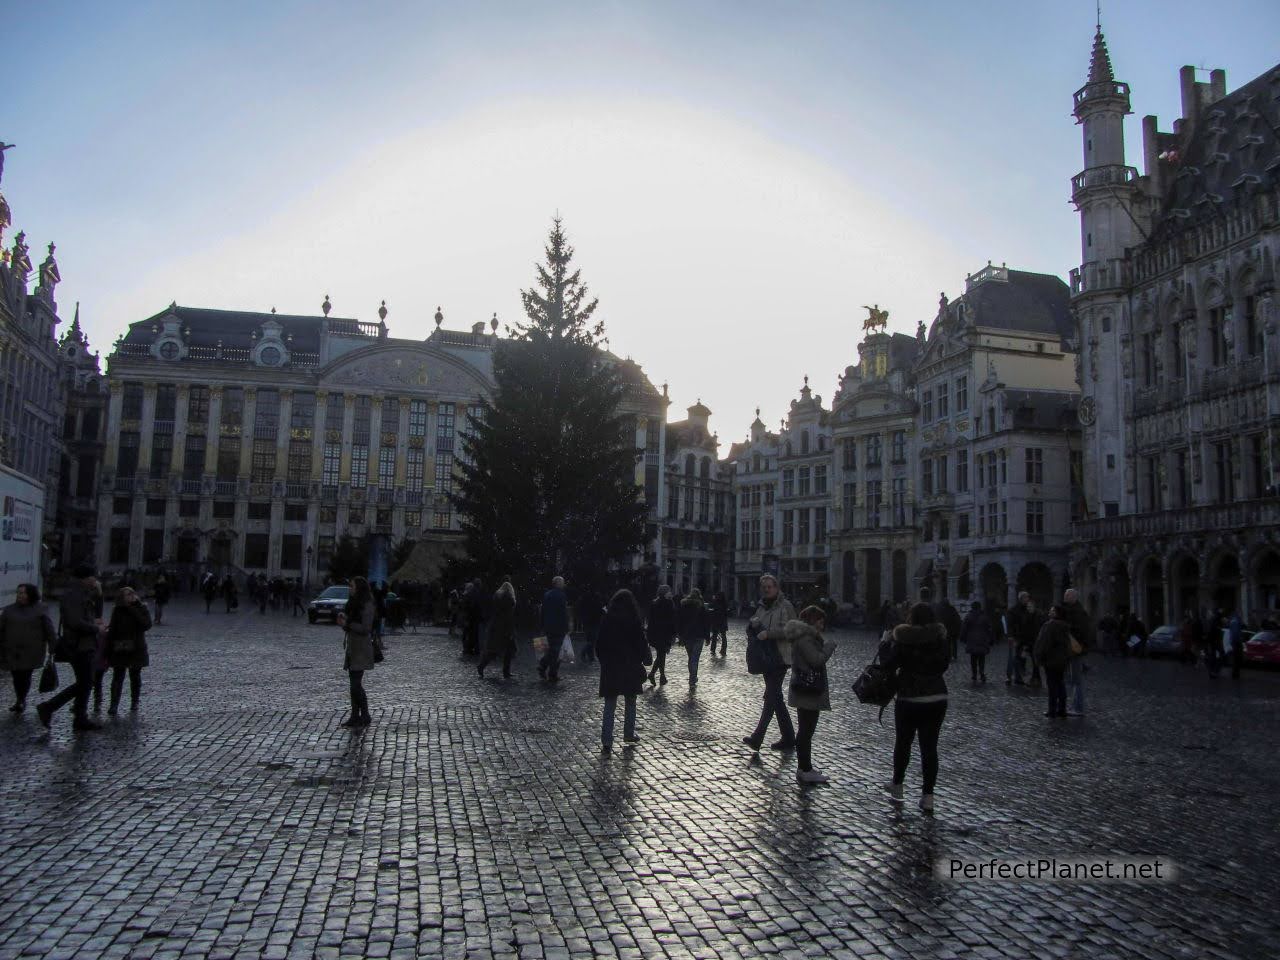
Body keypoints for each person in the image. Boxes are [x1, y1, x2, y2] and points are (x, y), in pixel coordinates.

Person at [880, 603, 949, 812]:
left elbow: (888, 665)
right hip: (937, 696)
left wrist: (884, 644)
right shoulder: (941, 639)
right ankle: (928, 795)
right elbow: (944, 664)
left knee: (903, 743)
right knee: (930, 747)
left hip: (909, 697)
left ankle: (898, 784)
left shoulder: (904, 639)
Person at [37, 565, 106, 732]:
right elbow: (75, 621)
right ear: (87, 578)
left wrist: (99, 597)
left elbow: (90, 614)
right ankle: (49, 707)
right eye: (94, 578)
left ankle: (79, 717)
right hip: (78, 645)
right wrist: (95, 628)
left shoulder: (82, 593)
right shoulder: (73, 595)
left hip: (84, 643)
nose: (96, 581)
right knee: (85, 682)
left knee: (86, 682)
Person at [742, 574, 798, 753]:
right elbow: (752, 627)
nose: (766, 589)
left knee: (771, 696)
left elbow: (792, 630)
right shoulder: (761, 607)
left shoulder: (785, 606)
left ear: (776, 588)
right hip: (765, 657)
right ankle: (789, 737)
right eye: (764, 587)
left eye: (769, 587)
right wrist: (751, 626)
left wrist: (769, 633)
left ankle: (758, 737)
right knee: (775, 698)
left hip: (780, 657)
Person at [786, 606, 838, 785]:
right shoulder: (805, 639)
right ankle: (805, 769)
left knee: (806, 730)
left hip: (805, 690)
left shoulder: (806, 637)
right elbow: (816, 660)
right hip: (808, 691)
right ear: (812, 621)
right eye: (820, 621)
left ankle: (805, 767)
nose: (822, 625)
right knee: (806, 731)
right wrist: (829, 647)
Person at [596, 588, 650, 752]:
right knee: (631, 701)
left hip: (611, 666)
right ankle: (628, 733)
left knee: (610, 704)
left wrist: (604, 661)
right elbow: (641, 643)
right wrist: (643, 658)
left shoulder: (607, 619)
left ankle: (607, 740)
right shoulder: (634, 619)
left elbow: (599, 644)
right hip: (630, 665)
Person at [0, 583, 55, 714]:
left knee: (25, 675)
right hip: (12, 650)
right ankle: (20, 698)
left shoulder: (40, 609)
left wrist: (53, 646)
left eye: (23, 593)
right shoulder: (9, 610)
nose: (20, 595)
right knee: (16, 675)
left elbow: (49, 629)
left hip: (32, 650)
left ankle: (21, 699)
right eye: (18, 593)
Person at [105, 586, 153, 715]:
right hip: (120, 646)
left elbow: (146, 624)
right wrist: (108, 648)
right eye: (127, 594)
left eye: (132, 594)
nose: (130, 596)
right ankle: (114, 704)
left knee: (135, 675)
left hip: (137, 647)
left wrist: (133, 608)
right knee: (118, 676)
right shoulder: (118, 610)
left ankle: (135, 701)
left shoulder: (141, 608)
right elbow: (113, 630)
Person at [336, 577, 376, 728]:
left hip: (361, 648)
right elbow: (350, 625)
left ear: (359, 588)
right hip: (352, 647)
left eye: (352, 586)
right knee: (353, 683)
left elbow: (366, 628)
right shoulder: (352, 603)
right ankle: (356, 715)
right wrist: (343, 622)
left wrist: (349, 624)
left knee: (355, 684)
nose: (350, 589)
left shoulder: (367, 604)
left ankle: (364, 714)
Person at [1034, 605, 1073, 719]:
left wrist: (1039, 657)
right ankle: (1062, 709)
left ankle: (1052, 710)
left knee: (1052, 686)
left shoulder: (1049, 626)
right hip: (1062, 660)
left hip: (1051, 659)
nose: (1049, 612)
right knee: (1060, 684)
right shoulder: (1065, 626)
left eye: (1052, 611)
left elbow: (1043, 643)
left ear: (1057, 613)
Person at [1061, 588, 1094, 716]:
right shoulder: (1071, 611)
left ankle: (1078, 708)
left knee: (1076, 679)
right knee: (1071, 679)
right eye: (1065, 594)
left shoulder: (1079, 613)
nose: (1065, 597)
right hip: (1070, 649)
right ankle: (1074, 705)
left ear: (1074, 597)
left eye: (1067, 595)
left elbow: (1082, 632)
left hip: (1075, 649)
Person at [479, 581, 517, 679]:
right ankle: (506, 672)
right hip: (505, 628)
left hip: (496, 627)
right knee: (508, 651)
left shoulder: (496, 597)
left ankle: (482, 666)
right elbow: (509, 617)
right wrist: (511, 630)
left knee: (494, 650)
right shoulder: (509, 599)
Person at [1006, 591, 1042, 686]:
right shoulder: (1014, 610)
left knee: (1033, 659)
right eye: (1026, 598)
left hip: (1030, 639)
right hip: (1019, 638)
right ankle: (1014, 677)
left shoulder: (1030, 610)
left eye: (1028, 598)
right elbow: (1010, 625)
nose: (1027, 600)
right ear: (1021, 599)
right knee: (1017, 658)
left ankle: (1034, 678)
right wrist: (1011, 636)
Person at [538, 576, 570, 683]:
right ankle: (550, 672)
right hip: (558, 627)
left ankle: (546, 668)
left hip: (548, 626)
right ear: (559, 584)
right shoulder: (561, 595)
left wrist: (542, 624)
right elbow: (563, 613)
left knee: (551, 649)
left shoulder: (547, 594)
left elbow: (543, 610)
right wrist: (567, 626)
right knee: (556, 650)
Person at [677, 588, 711, 686]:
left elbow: (679, 621)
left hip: (687, 635)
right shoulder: (701, 606)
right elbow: (706, 623)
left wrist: (680, 635)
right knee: (695, 658)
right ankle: (693, 677)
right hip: (699, 635)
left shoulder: (684, 606)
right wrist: (707, 637)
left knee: (691, 657)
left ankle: (692, 676)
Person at [646, 585, 676, 686]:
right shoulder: (669, 603)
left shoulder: (654, 603)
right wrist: (673, 634)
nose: (670, 593)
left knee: (661, 655)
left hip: (655, 633)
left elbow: (650, 620)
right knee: (661, 655)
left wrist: (649, 634)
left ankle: (661, 676)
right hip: (664, 633)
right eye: (669, 591)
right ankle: (654, 675)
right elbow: (672, 620)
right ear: (665, 592)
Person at [960, 600, 994, 683]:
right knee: (982, 658)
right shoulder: (985, 617)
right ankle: (982, 673)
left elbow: (964, 629)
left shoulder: (968, 616)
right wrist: (991, 639)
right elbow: (990, 629)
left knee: (973, 658)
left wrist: (963, 638)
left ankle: (974, 674)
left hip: (972, 640)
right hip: (983, 640)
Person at [577, 586, 604, 666]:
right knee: (593, 640)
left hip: (587, 621)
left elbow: (580, 607)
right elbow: (600, 608)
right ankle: (584, 653)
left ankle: (590, 656)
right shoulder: (597, 597)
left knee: (590, 638)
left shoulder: (584, 597)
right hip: (595, 621)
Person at [933, 596, 962, 662]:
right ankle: (954, 656)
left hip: (946, 630)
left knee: (947, 644)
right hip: (952, 630)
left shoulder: (940, 610)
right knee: (953, 644)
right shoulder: (952, 609)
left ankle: (949, 656)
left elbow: (938, 619)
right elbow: (957, 619)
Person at [709, 591, 729, 657]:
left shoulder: (715, 602)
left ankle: (713, 649)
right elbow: (727, 613)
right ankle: (723, 650)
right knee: (723, 636)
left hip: (716, 621)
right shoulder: (725, 603)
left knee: (715, 636)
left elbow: (711, 608)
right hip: (723, 621)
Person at [1228, 610, 1244, 680]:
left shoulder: (1235, 621)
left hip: (1235, 642)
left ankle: (1236, 673)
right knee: (1236, 658)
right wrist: (1238, 642)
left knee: (1236, 658)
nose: (1241, 615)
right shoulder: (1235, 622)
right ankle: (1235, 674)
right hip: (1236, 642)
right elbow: (1235, 634)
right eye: (1240, 613)